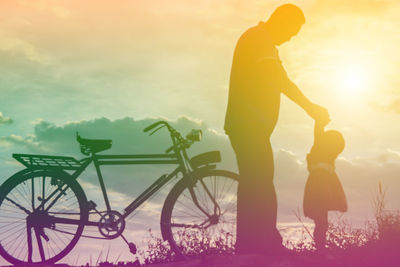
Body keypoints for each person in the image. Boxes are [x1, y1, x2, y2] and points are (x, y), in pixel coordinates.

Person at [224, 4, 330, 255]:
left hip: (247, 125)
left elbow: (277, 75)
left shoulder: (262, 42)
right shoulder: (258, 39)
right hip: (248, 124)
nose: (292, 37)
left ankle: (248, 245)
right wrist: (310, 107)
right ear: (281, 21)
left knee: (254, 182)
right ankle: (267, 245)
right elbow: (279, 79)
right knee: (261, 181)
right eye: (292, 30)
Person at [303, 121, 347, 251]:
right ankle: (320, 250)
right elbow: (318, 135)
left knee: (322, 222)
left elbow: (319, 135)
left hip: (323, 189)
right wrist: (319, 121)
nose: (337, 153)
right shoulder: (320, 150)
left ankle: (320, 249)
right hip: (319, 189)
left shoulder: (328, 158)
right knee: (321, 222)